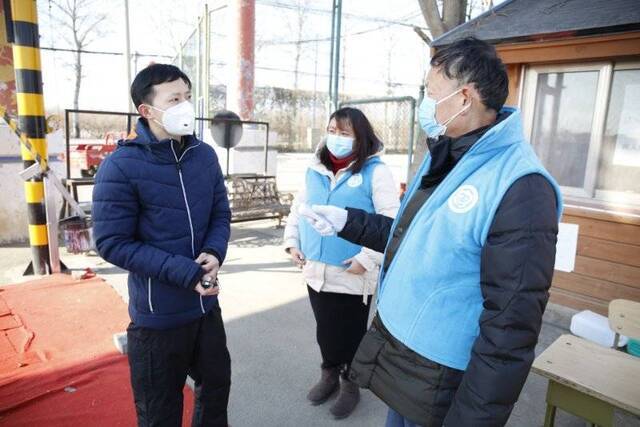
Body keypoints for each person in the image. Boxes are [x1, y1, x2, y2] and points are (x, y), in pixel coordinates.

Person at [300, 37, 563, 427]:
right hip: (406, 353)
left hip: (445, 373)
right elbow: (412, 237)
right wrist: (347, 221)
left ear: (464, 98)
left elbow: (510, 327)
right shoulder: (446, 153)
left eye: (430, 92)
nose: (425, 101)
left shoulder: (521, 186)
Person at [92, 64, 232, 427]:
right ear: (147, 110)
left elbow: (220, 212)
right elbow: (112, 242)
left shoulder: (204, 155)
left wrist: (215, 252)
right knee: (160, 412)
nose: (185, 105)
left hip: (206, 308)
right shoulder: (121, 166)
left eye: (187, 96)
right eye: (174, 99)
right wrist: (186, 272)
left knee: (216, 390)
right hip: (158, 319)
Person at [284, 107, 399, 419]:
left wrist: (367, 259)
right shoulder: (314, 168)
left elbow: (392, 222)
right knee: (325, 330)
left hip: (352, 273)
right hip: (314, 269)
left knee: (349, 334)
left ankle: (350, 383)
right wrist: (292, 242)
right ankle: (329, 374)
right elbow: (298, 209)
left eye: (344, 133)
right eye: (332, 130)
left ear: (360, 137)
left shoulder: (376, 172)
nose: (336, 138)